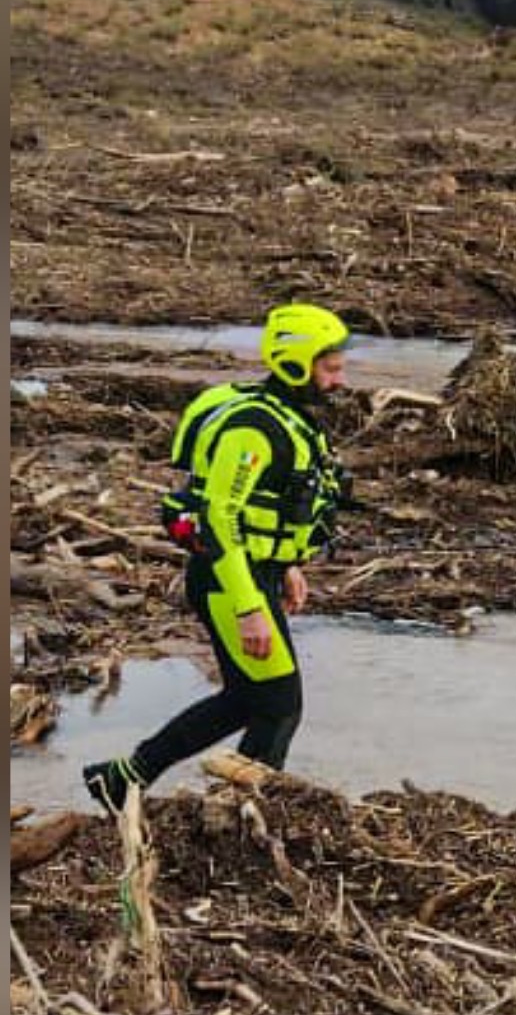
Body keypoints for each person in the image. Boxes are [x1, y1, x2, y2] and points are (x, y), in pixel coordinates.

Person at [85, 303, 358, 807]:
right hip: (229, 579)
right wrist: (249, 605)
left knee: (246, 699)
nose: (340, 381)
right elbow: (220, 518)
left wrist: (288, 566)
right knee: (278, 706)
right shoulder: (253, 430)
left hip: (255, 573)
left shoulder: (291, 420)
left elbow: (274, 504)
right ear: (297, 363)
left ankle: (122, 777)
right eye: (331, 368)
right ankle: (241, 810)